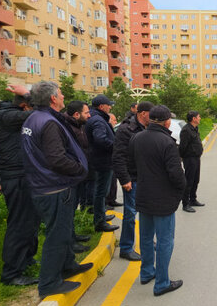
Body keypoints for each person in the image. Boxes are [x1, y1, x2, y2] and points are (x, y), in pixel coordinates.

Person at [21, 81, 93, 297]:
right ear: (53, 98)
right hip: (54, 187)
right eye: (60, 94)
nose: (63, 97)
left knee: (63, 230)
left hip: (43, 184)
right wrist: (79, 168)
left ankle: (68, 265)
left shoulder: (34, 117)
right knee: (57, 235)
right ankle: (49, 283)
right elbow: (57, 159)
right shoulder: (48, 122)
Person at [0, 84, 39, 287]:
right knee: (20, 224)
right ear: (24, 106)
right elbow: (39, 113)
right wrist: (27, 93)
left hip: (22, 174)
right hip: (16, 177)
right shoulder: (6, 116)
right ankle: (11, 273)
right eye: (30, 105)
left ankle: (26, 260)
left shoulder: (12, 115)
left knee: (31, 221)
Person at [128, 105, 186, 296]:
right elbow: (176, 174)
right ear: (167, 121)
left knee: (145, 237)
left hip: (143, 194)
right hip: (163, 199)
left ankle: (146, 272)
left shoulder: (137, 138)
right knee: (164, 240)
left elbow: (131, 166)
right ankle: (161, 282)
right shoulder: (167, 142)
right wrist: (181, 190)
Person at [112, 101, 154, 261]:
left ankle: (147, 241)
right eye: (151, 114)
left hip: (146, 178)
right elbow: (118, 157)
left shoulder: (147, 128)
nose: (153, 117)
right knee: (130, 214)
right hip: (132, 179)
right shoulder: (125, 130)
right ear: (143, 113)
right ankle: (126, 248)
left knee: (148, 213)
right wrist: (124, 179)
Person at [84, 95, 119, 233]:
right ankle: (100, 221)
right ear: (101, 106)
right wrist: (115, 147)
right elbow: (100, 139)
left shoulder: (95, 118)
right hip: (102, 161)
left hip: (98, 160)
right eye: (108, 105)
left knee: (100, 191)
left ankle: (101, 216)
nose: (110, 107)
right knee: (101, 192)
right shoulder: (98, 120)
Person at [64, 100, 93, 254]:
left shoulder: (78, 126)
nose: (89, 115)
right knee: (68, 210)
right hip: (71, 176)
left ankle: (73, 236)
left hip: (79, 174)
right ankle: (70, 242)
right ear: (76, 114)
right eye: (86, 112)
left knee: (72, 208)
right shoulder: (67, 128)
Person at [179, 110, 205, 213]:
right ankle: (185, 204)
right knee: (189, 181)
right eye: (199, 117)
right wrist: (183, 158)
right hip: (190, 159)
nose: (200, 118)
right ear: (194, 118)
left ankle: (193, 199)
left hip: (196, 158)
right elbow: (183, 147)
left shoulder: (194, 128)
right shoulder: (186, 130)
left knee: (195, 180)